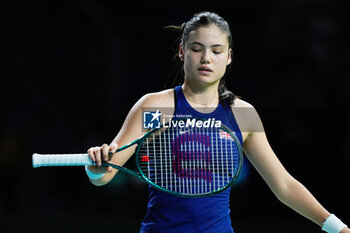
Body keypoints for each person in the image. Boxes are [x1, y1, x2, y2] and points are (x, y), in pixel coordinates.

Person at [85, 11, 349, 233]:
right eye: (196, 49)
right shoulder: (157, 106)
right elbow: (105, 175)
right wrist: (96, 166)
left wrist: (336, 226)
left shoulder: (241, 113)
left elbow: (284, 185)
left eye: (216, 50)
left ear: (229, 56)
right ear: (182, 51)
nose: (206, 58)